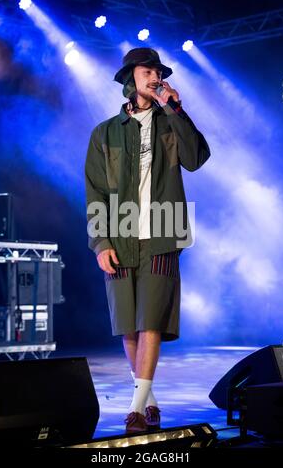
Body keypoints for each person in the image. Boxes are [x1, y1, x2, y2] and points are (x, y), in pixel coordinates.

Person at [85, 47, 210, 433]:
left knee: (150, 318)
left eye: (158, 71)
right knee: (129, 325)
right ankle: (149, 397)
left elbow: (197, 158)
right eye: (146, 71)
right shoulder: (105, 132)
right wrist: (99, 242)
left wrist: (176, 108)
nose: (154, 76)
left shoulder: (171, 121)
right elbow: (94, 191)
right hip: (120, 235)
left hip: (162, 231)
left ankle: (137, 407)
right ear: (130, 79)